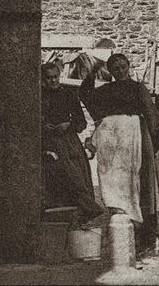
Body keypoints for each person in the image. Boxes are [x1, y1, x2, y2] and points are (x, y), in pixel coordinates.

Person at [79, 53, 159, 253]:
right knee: (114, 182)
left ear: (128, 66)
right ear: (110, 71)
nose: (120, 71)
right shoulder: (106, 90)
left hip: (134, 135)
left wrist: (153, 140)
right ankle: (122, 229)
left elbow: (151, 113)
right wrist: (93, 72)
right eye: (115, 68)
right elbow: (85, 94)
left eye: (123, 67)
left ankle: (142, 235)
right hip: (111, 140)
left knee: (137, 184)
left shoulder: (138, 88)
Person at [41, 60, 102, 224]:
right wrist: (44, 126)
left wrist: (68, 125)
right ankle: (63, 216)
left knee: (76, 174)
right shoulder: (38, 97)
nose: (53, 81)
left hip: (68, 141)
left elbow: (81, 123)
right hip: (48, 141)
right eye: (48, 78)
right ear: (42, 79)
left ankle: (84, 211)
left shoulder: (68, 94)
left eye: (55, 77)